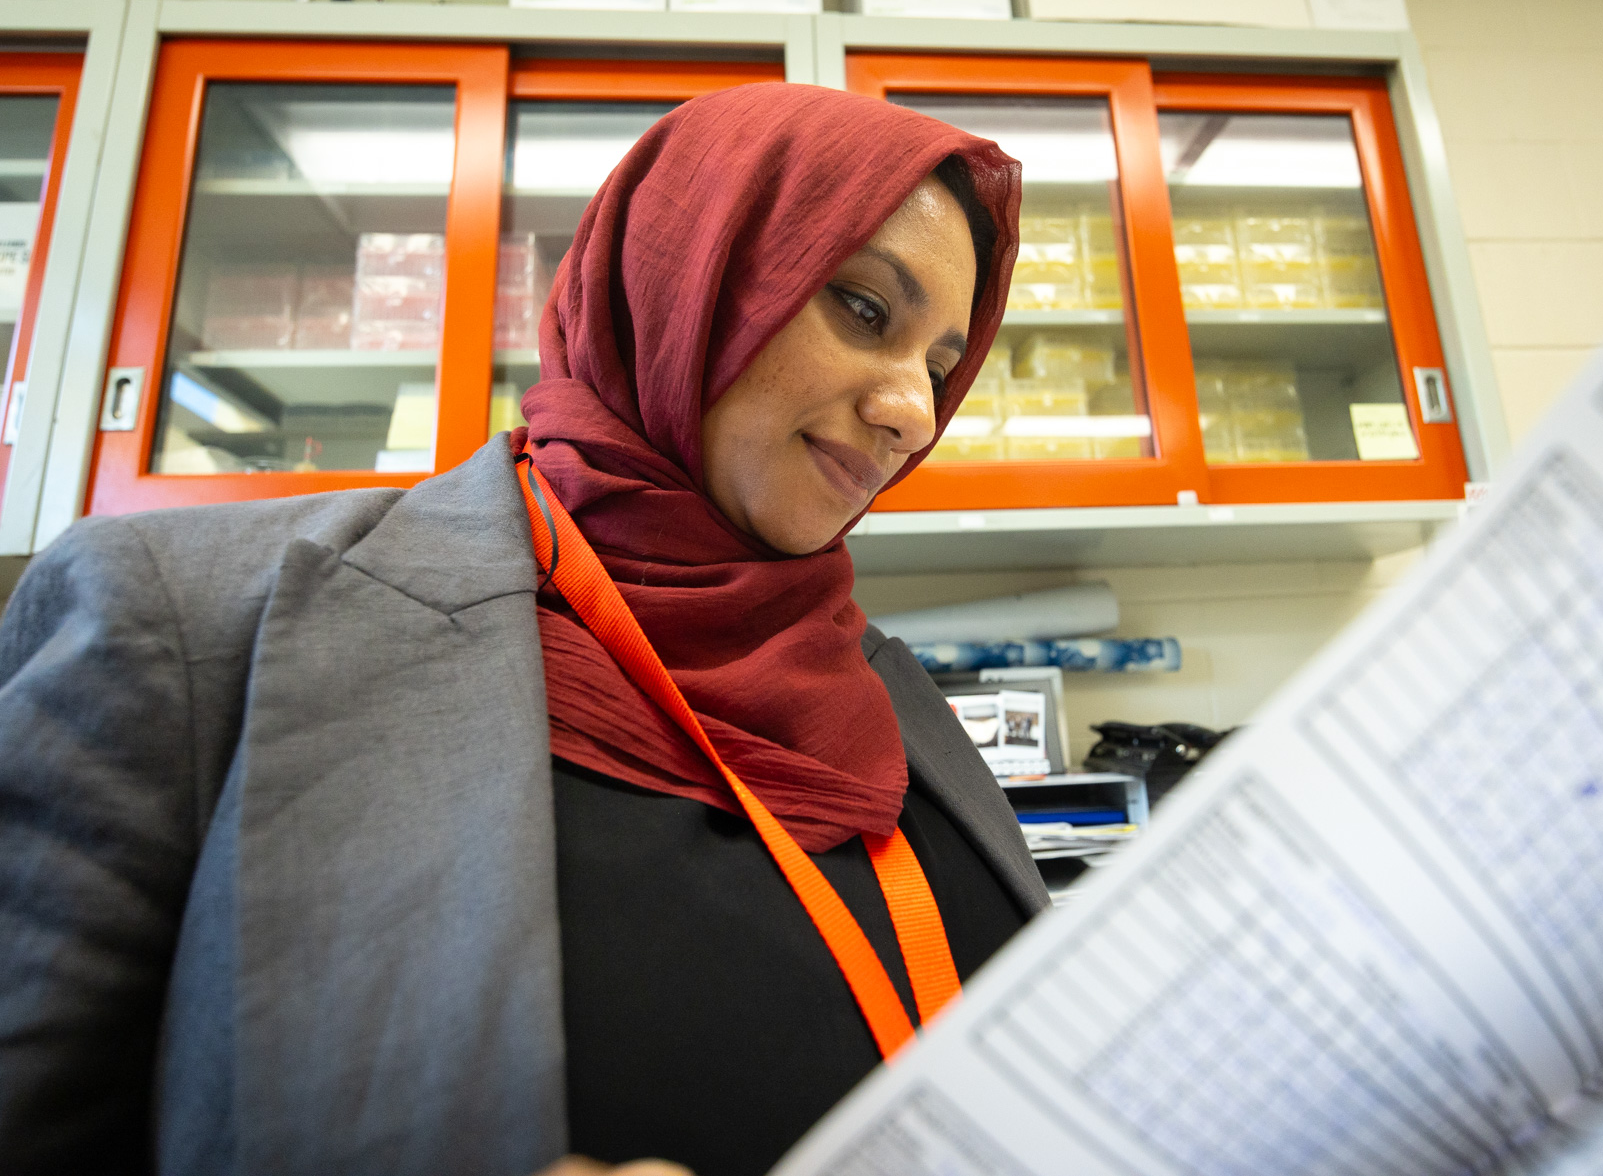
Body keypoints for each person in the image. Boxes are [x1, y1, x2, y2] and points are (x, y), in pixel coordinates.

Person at [0, 82, 1041, 1176]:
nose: (916, 415)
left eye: (939, 366)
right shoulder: (184, 623)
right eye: (865, 309)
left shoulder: (885, 694)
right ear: (691, 279)